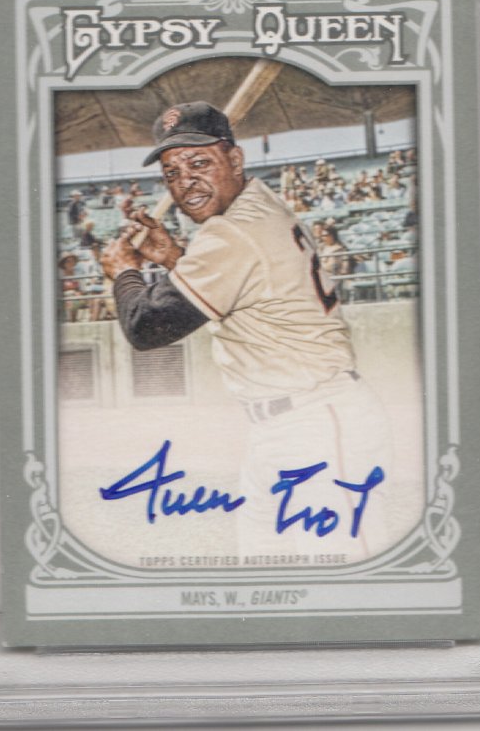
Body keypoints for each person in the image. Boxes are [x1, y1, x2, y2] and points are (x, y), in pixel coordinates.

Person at [101, 102, 390, 559]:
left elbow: (147, 328)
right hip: (286, 423)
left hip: (315, 421)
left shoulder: (232, 233)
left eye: (200, 163)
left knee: (343, 569)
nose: (185, 182)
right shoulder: (260, 203)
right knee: (266, 567)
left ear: (235, 160)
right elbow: (246, 289)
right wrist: (175, 258)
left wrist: (124, 272)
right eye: (172, 172)